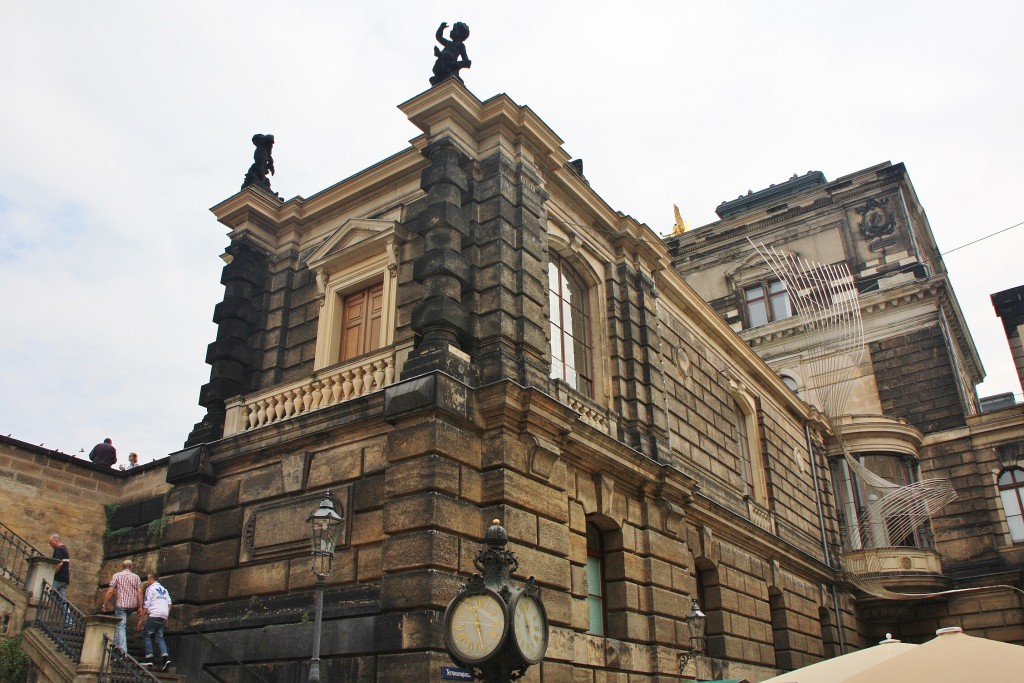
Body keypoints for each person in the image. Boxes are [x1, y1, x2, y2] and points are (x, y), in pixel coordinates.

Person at [101, 559, 142, 651]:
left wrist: (104, 604)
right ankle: (114, 646)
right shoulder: (136, 577)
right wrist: (140, 607)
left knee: (121, 626)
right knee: (119, 625)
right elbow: (139, 592)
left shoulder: (117, 576)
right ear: (131, 567)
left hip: (122, 605)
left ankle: (123, 651)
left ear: (122, 567)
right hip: (132, 606)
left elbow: (111, 591)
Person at [138, 571, 172, 671]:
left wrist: (141, 619)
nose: (148, 581)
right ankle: (165, 659)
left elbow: (146, 605)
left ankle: (149, 657)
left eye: (148, 579)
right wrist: (166, 615)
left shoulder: (150, 589)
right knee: (159, 637)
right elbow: (170, 604)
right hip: (163, 615)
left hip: (154, 614)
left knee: (146, 634)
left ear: (151, 579)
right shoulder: (164, 590)